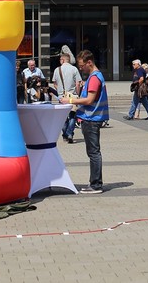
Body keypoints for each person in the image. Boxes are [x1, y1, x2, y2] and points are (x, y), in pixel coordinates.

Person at [60, 50, 109, 194]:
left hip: (91, 118)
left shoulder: (94, 78)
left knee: (93, 153)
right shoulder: (96, 76)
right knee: (94, 152)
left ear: (89, 63)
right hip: (93, 118)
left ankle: (95, 185)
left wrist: (70, 100)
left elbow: (89, 100)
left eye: (82, 66)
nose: (80, 68)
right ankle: (95, 183)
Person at [53, 46, 82, 143]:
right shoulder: (74, 69)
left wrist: (60, 90)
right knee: (73, 116)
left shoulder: (57, 70)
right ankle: (69, 133)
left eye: (60, 59)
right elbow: (78, 83)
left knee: (63, 117)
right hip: (72, 96)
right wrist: (78, 93)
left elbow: (55, 83)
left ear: (63, 60)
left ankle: (65, 134)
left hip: (62, 96)